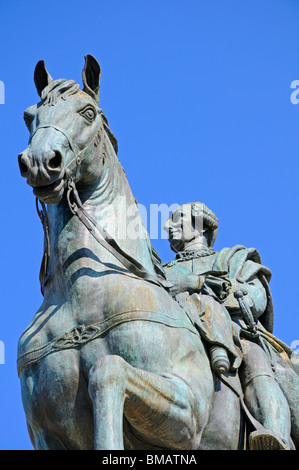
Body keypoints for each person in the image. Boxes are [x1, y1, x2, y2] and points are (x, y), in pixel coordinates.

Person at [163, 202, 294, 450]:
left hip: (234, 331)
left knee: (254, 359)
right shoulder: (161, 270)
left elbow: (256, 299)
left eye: (178, 218)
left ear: (201, 224)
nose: (168, 226)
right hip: (173, 331)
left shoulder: (231, 258)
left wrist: (199, 285)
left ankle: (275, 436)